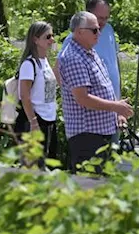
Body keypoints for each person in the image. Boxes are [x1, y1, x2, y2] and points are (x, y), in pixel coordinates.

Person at [57, 11, 134, 172]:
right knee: (89, 189)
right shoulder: (73, 58)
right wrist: (116, 107)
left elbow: (105, 86)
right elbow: (83, 98)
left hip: (103, 134)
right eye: (94, 30)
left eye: (99, 29)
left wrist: (118, 112)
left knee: (104, 189)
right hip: (87, 137)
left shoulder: (90, 52)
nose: (99, 33)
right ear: (79, 32)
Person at [14, 21, 60, 167]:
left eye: (52, 36)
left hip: (49, 120)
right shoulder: (29, 64)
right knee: (32, 168)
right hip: (34, 122)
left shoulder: (45, 61)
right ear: (35, 39)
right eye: (48, 37)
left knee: (48, 166)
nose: (52, 40)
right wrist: (33, 123)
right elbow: (24, 96)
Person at [60, 0, 121, 101]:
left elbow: (114, 60)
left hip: (113, 101)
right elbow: (58, 69)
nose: (103, 22)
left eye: (106, 18)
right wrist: (73, 97)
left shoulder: (109, 29)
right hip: (92, 107)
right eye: (100, 18)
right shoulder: (76, 37)